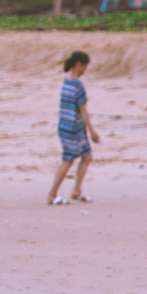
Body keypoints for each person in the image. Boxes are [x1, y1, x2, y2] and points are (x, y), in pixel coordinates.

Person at [47, 50, 99, 205]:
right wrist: (93, 132)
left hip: (66, 126)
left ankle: (77, 190)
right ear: (78, 64)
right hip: (73, 129)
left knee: (87, 156)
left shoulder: (66, 83)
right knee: (68, 159)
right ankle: (52, 194)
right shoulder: (78, 86)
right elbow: (83, 110)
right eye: (85, 66)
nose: (85, 70)